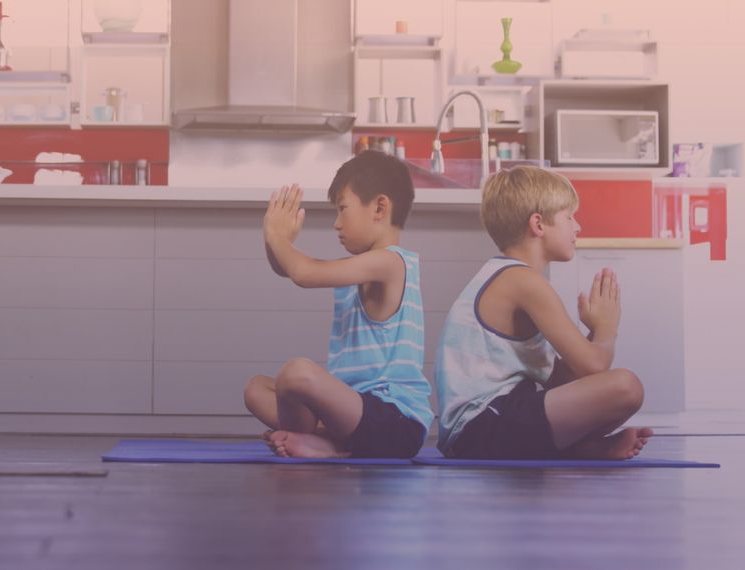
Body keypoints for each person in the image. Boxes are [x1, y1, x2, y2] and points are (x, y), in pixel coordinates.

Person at [435, 165, 653, 460]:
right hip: (481, 427)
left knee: (615, 387)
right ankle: (581, 448)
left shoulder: (508, 276)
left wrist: (591, 333)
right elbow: (595, 367)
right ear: (538, 224)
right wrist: (607, 328)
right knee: (626, 387)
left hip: (484, 427)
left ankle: (586, 447)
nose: (578, 227)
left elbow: (564, 381)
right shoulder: (524, 282)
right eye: (569, 217)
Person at [244, 151, 433, 459]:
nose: (336, 224)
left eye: (343, 209)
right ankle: (326, 441)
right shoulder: (360, 266)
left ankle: (324, 443)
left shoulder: (392, 263)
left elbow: (304, 273)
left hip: (395, 422)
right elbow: (287, 268)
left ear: (379, 208)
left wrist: (278, 237)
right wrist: (274, 240)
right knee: (257, 388)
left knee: (297, 373)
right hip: (352, 412)